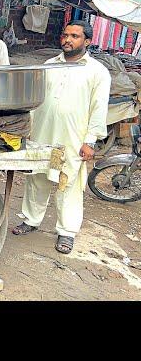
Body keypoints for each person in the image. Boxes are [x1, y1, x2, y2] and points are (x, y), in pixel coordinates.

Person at [11, 20, 111, 254]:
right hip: (42, 133)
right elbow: (36, 101)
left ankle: (66, 232)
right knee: (37, 178)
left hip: (73, 139)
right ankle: (31, 220)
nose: (67, 39)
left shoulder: (97, 72)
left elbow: (99, 108)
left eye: (74, 36)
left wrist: (90, 141)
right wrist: (27, 130)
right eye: (65, 35)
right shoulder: (49, 65)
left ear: (87, 41)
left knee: (69, 183)